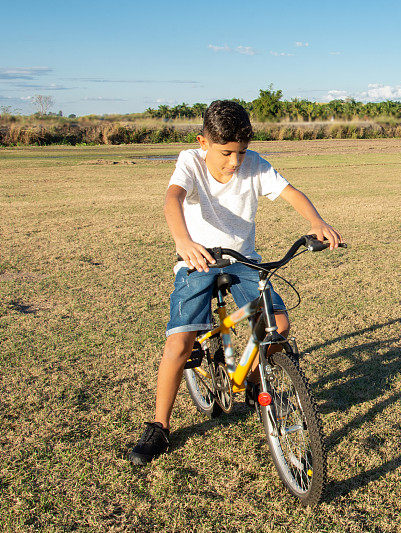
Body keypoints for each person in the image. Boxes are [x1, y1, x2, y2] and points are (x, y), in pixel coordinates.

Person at [129, 100, 341, 465]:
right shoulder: (189, 161)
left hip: (243, 260)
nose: (234, 161)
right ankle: (159, 426)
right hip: (198, 258)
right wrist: (183, 241)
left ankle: (259, 381)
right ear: (204, 142)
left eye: (241, 152)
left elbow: (290, 192)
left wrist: (316, 220)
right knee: (180, 340)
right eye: (226, 152)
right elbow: (173, 199)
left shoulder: (254, 164)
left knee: (279, 325)